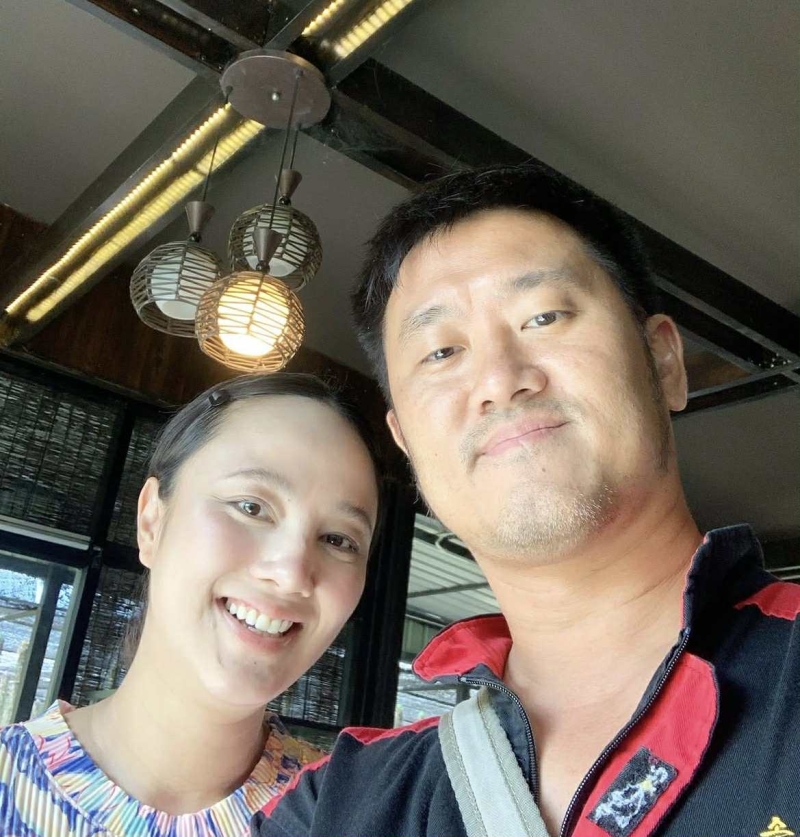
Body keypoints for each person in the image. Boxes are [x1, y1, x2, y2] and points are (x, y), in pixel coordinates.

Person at [253, 166, 800, 837]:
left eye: (544, 316)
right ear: (406, 442)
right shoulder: (336, 807)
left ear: (663, 362)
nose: (499, 380)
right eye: (441, 352)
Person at [0, 373, 381, 837]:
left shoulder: (350, 818)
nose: (291, 573)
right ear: (152, 523)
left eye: (338, 539)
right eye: (251, 507)